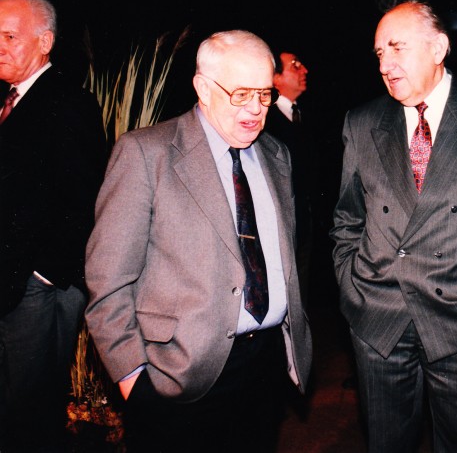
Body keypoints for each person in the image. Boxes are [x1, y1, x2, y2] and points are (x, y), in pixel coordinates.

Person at [84, 30, 312, 452]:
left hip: (264, 371)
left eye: (264, 94)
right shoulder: (146, 154)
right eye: (240, 94)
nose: (255, 109)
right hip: (177, 377)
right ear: (203, 88)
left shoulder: (276, 155)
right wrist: (134, 380)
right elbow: (107, 281)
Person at [330, 0, 457, 452]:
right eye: (379, 53)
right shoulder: (362, 122)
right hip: (378, 319)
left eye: (397, 48)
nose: (385, 64)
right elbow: (347, 219)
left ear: (438, 48)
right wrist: (353, 288)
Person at [0, 0, 107, 451]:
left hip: (36, 292)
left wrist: (42, 278)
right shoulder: (8, 101)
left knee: (29, 416)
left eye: (9, 37)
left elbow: (85, 201)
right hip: (11, 285)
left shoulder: (69, 103)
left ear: (44, 42)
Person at [266, 51, 314, 304]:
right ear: (275, 78)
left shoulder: (304, 116)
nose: (304, 70)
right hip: (278, 230)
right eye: (294, 65)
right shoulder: (264, 121)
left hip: (304, 226)